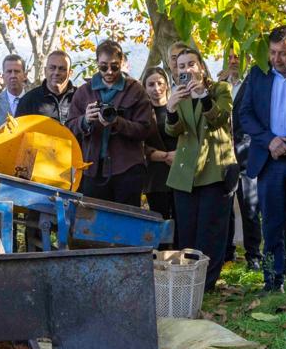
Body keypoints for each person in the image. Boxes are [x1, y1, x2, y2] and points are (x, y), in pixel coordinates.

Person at [236, 25, 286, 291]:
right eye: (273, 53)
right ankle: (272, 279)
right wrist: (269, 140)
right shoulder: (258, 74)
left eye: (283, 53)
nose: (277, 59)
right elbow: (245, 114)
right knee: (271, 224)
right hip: (269, 159)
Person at [165, 45, 236, 293]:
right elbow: (174, 131)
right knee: (187, 231)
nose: (186, 70)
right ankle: (187, 282)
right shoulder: (178, 94)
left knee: (211, 230)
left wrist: (203, 95)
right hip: (185, 173)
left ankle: (206, 285)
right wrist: (170, 110)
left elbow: (219, 120)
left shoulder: (220, 90)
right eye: (181, 66)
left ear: (201, 66)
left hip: (215, 170)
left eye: (191, 64)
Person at [67, 39, 154, 205]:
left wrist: (117, 123)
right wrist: (84, 120)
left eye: (114, 66)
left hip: (127, 168)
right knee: (94, 223)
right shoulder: (84, 92)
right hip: (92, 169)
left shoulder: (136, 90)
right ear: (97, 64)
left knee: (126, 221)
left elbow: (145, 129)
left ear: (122, 63)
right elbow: (69, 127)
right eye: (103, 66)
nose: (109, 71)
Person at [226, 63, 264, 270]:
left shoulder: (253, 81)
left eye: (236, 57)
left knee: (249, 205)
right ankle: (227, 253)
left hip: (248, 151)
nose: (232, 61)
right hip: (223, 154)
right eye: (229, 56)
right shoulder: (219, 84)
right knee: (225, 208)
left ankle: (254, 256)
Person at [141, 65, 178, 242]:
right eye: (151, 84)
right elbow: (139, 144)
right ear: (145, 87)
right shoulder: (142, 113)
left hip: (179, 171)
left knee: (180, 220)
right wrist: (164, 156)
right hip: (155, 176)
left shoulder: (177, 108)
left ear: (167, 85)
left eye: (160, 83)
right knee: (160, 220)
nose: (156, 89)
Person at [15, 49, 78, 124]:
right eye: (52, 68)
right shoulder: (28, 100)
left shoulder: (81, 96)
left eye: (62, 69)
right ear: (45, 71)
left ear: (70, 73)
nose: (56, 72)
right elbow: (19, 132)